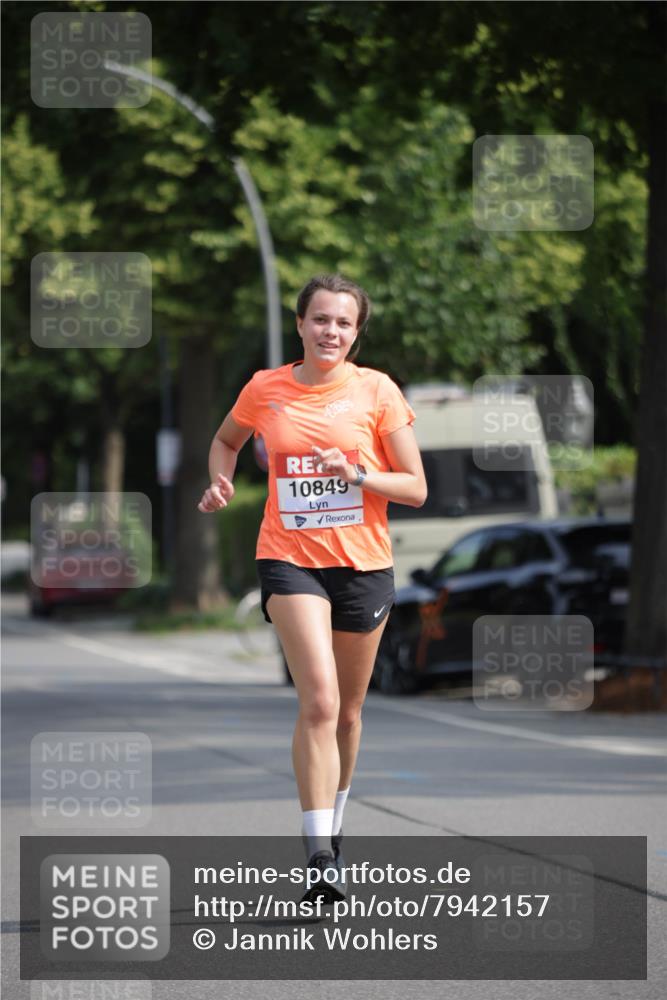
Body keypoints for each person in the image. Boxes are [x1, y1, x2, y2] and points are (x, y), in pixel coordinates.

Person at [198, 274, 427, 902]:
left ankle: (335, 823)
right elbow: (226, 441)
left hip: (363, 565)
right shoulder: (264, 387)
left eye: (344, 323)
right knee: (320, 702)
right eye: (320, 319)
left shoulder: (377, 390)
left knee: (349, 714)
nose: (331, 332)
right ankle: (319, 852)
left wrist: (357, 472)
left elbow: (415, 486)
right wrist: (221, 481)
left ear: (356, 333)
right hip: (289, 557)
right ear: (300, 324)